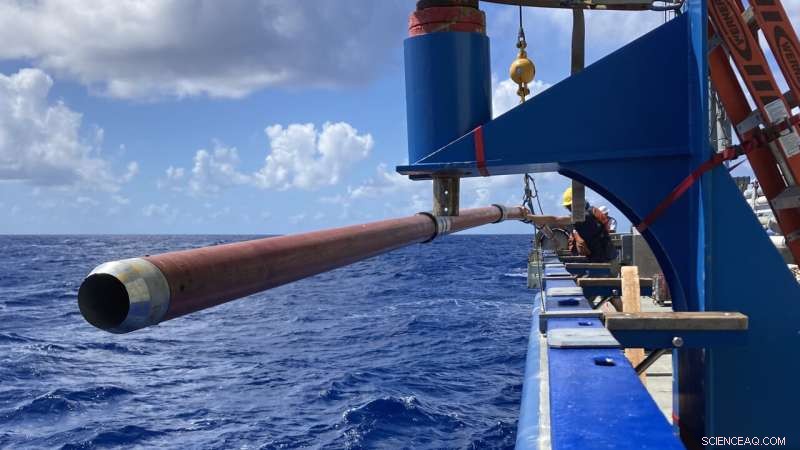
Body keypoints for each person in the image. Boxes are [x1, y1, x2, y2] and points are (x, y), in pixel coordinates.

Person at [562, 187, 618, 263]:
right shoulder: (574, 221)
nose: (571, 210)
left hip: (602, 257)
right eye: (569, 208)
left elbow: (605, 231)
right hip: (590, 259)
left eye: (571, 207)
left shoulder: (594, 213)